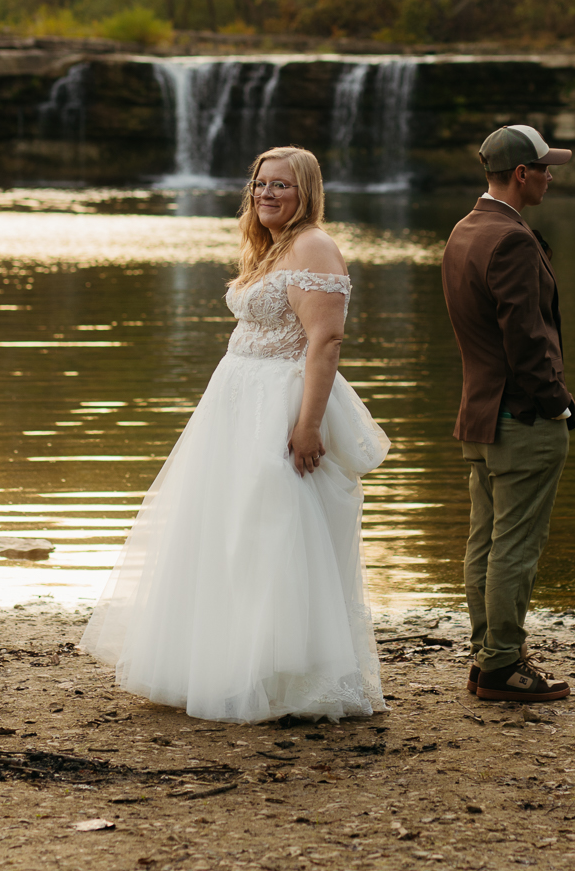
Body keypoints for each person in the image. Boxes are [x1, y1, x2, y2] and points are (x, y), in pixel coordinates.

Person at [81, 146, 390, 723]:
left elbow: (325, 342)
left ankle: (290, 678)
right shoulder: (269, 249)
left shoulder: (313, 246)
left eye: (282, 186)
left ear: (307, 194)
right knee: (226, 532)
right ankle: (224, 665)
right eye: (261, 185)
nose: (268, 194)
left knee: (275, 531)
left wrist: (307, 425)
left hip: (280, 405)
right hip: (235, 404)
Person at [440, 124, 575, 703]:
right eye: (545, 167)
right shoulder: (513, 240)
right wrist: (558, 404)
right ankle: (501, 664)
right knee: (515, 546)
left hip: (479, 413)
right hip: (521, 418)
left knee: (485, 542)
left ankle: (487, 656)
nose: (551, 176)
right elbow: (525, 339)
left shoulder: (465, 230)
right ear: (522, 174)